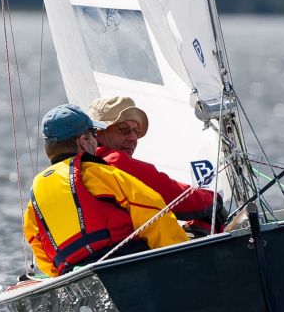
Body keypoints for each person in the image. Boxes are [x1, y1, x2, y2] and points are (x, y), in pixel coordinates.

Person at [22, 103, 188, 278]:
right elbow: (152, 209)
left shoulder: (35, 198)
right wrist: (181, 254)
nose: (96, 140)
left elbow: (36, 241)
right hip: (127, 263)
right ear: (84, 141)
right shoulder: (100, 174)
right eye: (94, 134)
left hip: (75, 275)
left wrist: (60, 276)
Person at [87, 95, 227, 234]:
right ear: (98, 132)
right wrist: (215, 200)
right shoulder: (114, 161)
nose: (133, 138)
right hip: (135, 246)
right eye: (123, 129)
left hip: (113, 246)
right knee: (208, 223)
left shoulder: (84, 165)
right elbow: (174, 195)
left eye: (137, 131)